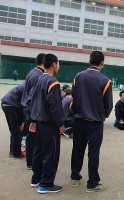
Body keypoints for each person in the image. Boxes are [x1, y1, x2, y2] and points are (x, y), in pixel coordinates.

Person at [71, 51, 113, 193]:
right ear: (102, 63)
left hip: (79, 120)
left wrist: (76, 113)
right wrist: (102, 115)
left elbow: (74, 99)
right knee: (93, 153)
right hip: (95, 123)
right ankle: (92, 183)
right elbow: (108, 105)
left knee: (77, 150)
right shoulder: (105, 80)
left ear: (89, 61)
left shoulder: (78, 76)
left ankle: (75, 177)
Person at [29, 54, 65, 193]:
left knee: (38, 151)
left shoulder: (39, 79)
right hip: (49, 125)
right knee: (51, 154)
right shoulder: (53, 82)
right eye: (59, 64)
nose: (59, 67)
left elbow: (31, 100)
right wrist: (60, 124)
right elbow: (55, 107)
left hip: (38, 122)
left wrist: (32, 119)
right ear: (54, 64)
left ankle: (36, 179)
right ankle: (46, 184)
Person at [21, 53, 45, 170]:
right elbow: (33, 97)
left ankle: (30, 160)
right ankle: (31, 161)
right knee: (32, 136)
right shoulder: (38, 76)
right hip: (31, 109)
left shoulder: (32, 72)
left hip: (27, 107)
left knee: (30, 135)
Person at [1, 83, 25, 158]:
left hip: (5, 104)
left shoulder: (26, 84)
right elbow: (26, 105)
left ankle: (13, 151)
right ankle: (16, 153)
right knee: (18, 130)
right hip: (12, 106)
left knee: (14, 130)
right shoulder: (30, 88)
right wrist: (24, 122)